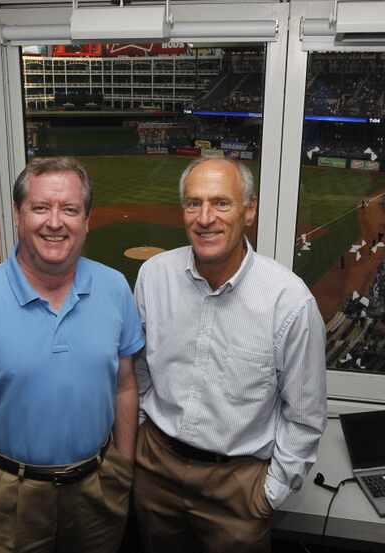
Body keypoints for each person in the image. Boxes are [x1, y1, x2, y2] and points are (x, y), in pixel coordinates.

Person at [0, 157, 144, 553]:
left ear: (87, 219)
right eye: (41, 207)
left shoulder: (115, 288)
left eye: (69, 209)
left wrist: (123, 467)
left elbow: (125, 387)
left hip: (98, 491)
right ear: (18, 214)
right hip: (8, 500)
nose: (55, 222)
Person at [133, 157, 327, 553]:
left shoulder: (288, 301)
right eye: (193, 203)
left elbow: (305, 418)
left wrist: (268, 495)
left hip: (238, 487)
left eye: (221, 203)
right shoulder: (153, 277)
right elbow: (139, 375)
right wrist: (140, 447)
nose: (205, 217)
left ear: (249, 211)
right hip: (155, 471)